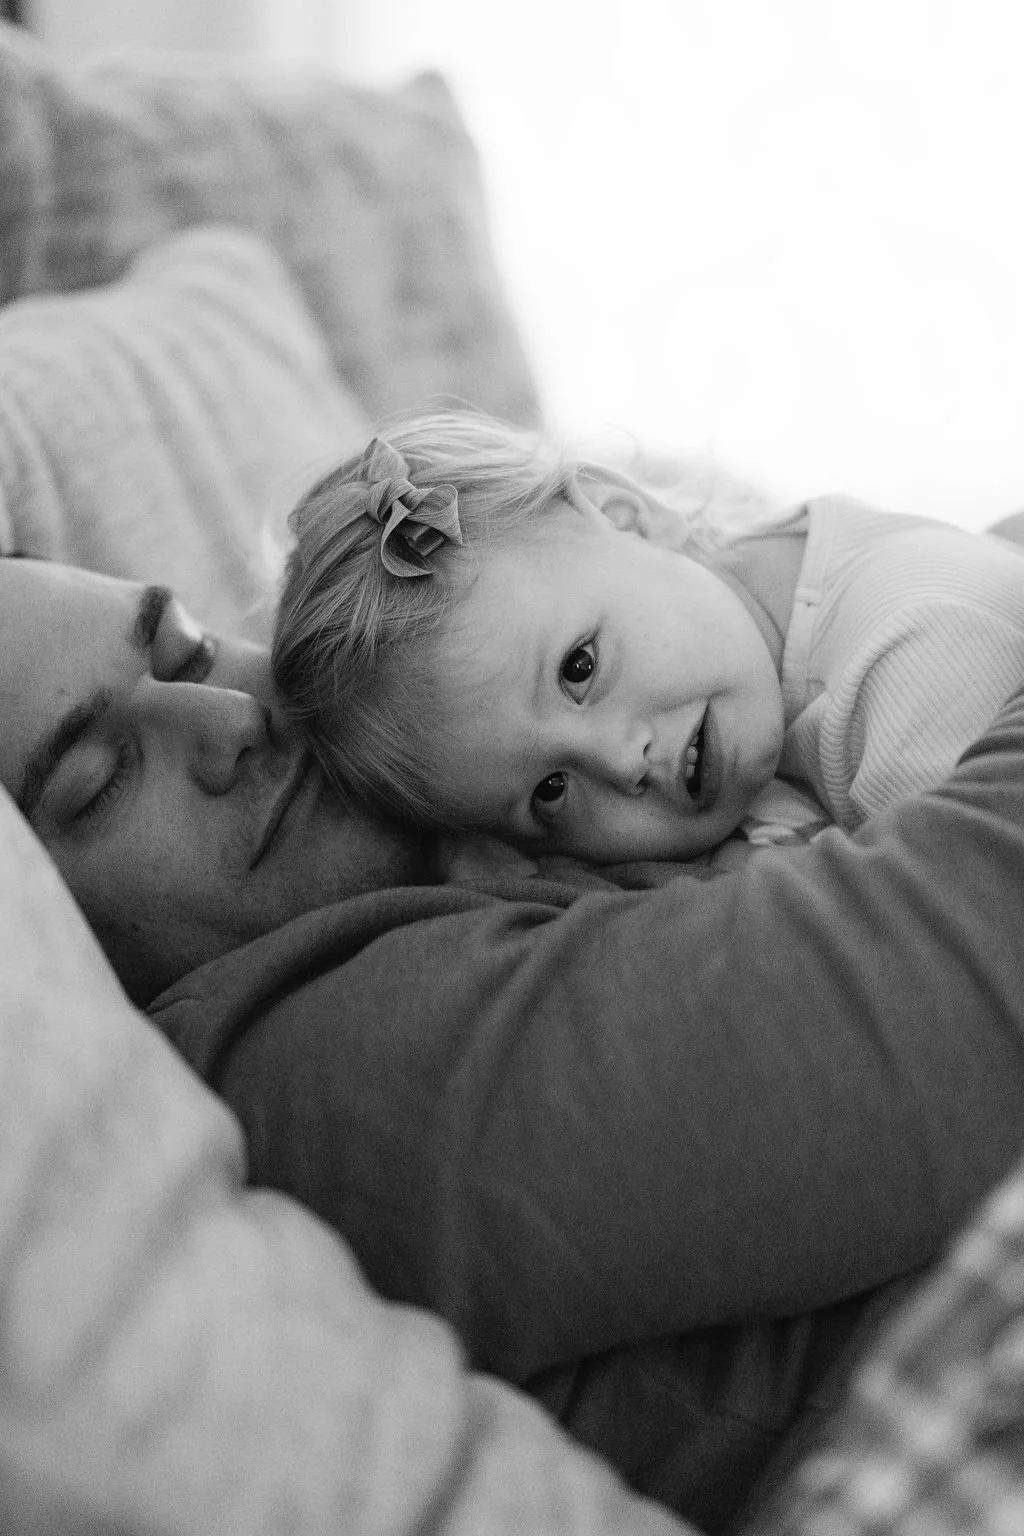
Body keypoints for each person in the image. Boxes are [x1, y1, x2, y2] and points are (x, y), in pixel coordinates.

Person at [6, 551, 1024, 1532]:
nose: (235, 719)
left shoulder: (483, 795)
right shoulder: (313, 1060)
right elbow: (972, 969)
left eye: (187, 650)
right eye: (100, 780)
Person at [271, 412, 1024, 862]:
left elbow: (964, 958)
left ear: (627, 514)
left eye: (579, 667)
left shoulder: (913, 651)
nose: (618, 761)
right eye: (550, 792)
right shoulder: (749, 662)